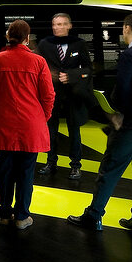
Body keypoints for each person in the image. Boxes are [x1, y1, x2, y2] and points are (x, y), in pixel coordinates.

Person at [68, 13, 132, 235]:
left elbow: (123, 92)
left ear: (126, 29)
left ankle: (94, 216)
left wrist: (114, 113)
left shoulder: (129, 56)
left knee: (110, 168)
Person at [0, 19, 56, 230]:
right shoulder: (38, 62)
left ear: (8, 36)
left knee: (5, 171)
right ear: (27, 38)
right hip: (31, 126)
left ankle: (5, 214)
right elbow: (48, 95)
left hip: (4, 124)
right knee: (26, 172)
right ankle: (22, 216)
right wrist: (43, 118)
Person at [36, 13, 93, 180]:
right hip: (52, 95)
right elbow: (39, 67)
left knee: (74, 131)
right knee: (50, 131)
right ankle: (50, 162)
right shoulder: (45, 44)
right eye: (55, 25)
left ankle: (75, 165)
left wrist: (71, 75)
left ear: (69, 26)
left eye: (61, 24)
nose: (57, 28)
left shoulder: (79, 44)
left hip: (73, 95)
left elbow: (88, 69)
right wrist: (49, 75)